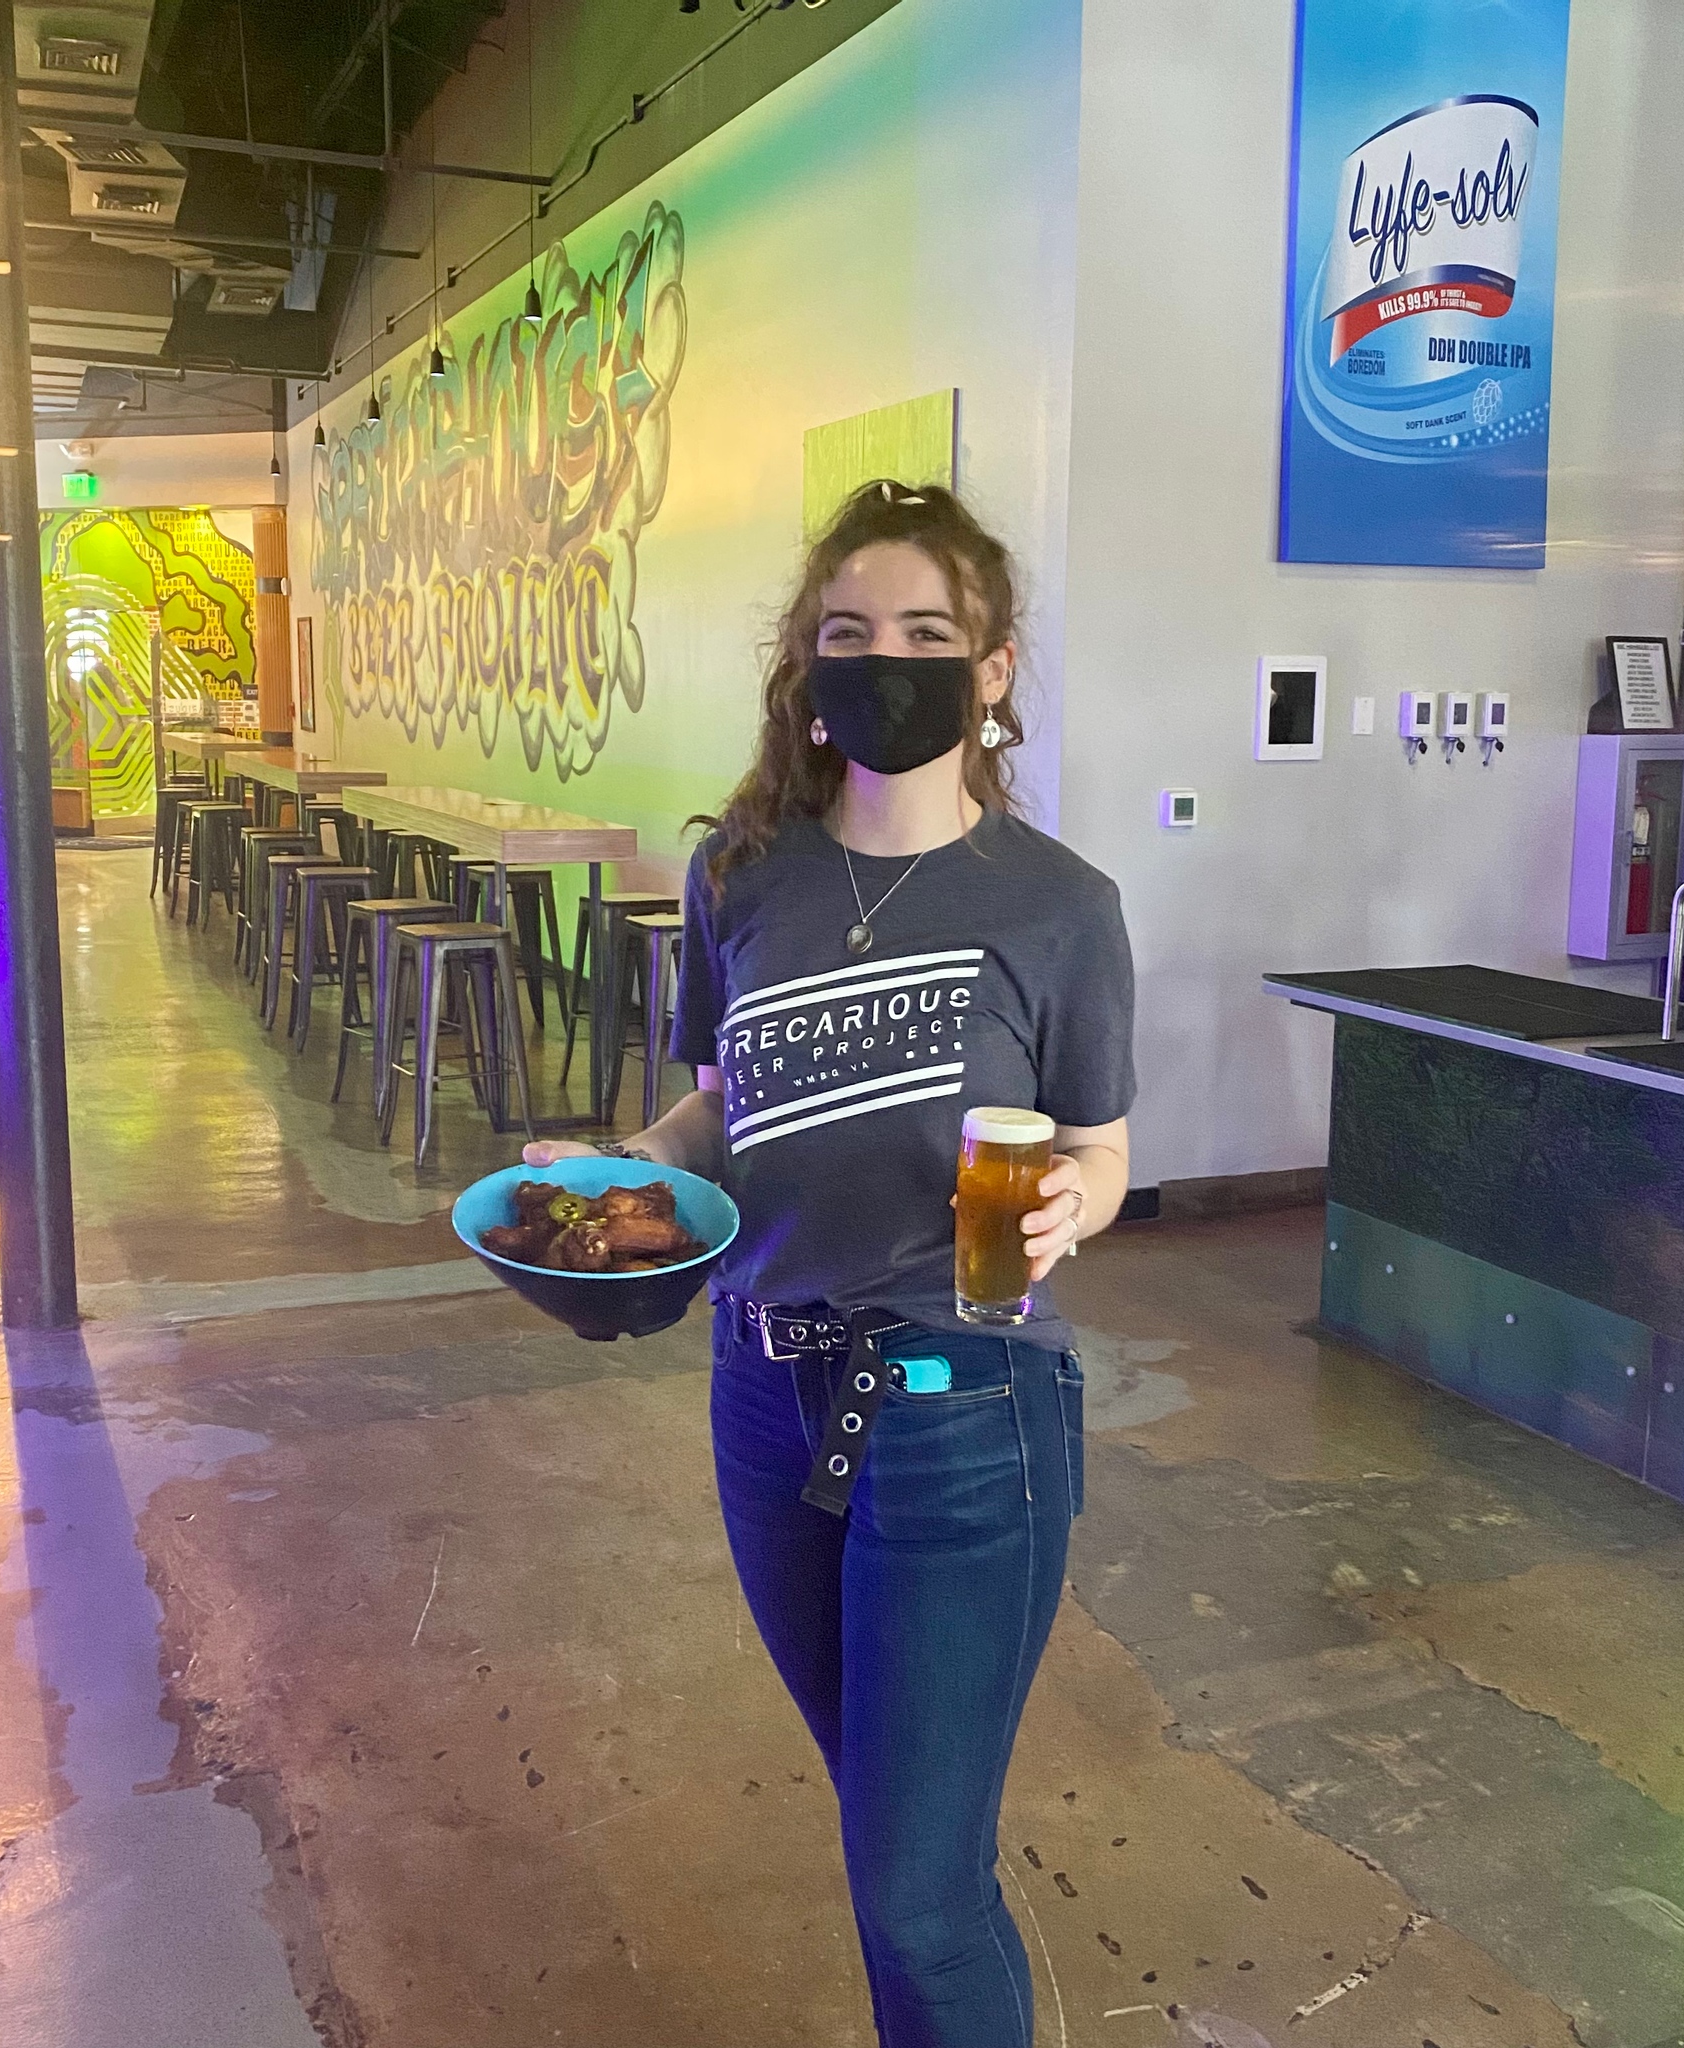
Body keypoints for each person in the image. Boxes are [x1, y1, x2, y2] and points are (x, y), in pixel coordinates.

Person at [527, 478, 1134, 2047]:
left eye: (929, 633)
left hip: (963, 1407)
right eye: (850, 632)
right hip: (762, 1396)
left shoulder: (1061, 907)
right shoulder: (743, 873)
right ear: (807, 660)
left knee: (919, 1891)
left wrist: (1072, 1205)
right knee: (886, 1842)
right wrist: (624, 1171)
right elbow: (720, 1106)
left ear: (992, 669)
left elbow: (1103, 1144)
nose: (888, 662)